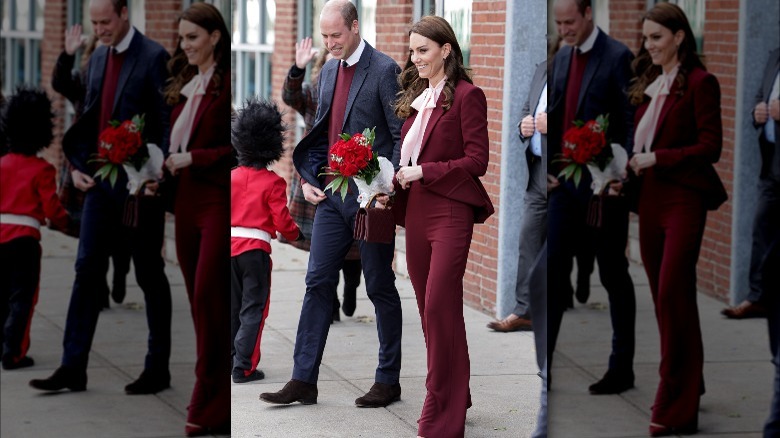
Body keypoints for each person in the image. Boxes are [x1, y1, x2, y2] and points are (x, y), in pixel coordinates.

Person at [259, 0, 403, 408]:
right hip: (331, 198)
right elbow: (322, 135)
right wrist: (308, 179)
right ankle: (303, 380)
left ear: (355, 27)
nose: (329, 42)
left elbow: (397, 135)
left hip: (370, 199)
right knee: (317, 283)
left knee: (378, 286)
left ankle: (387, 380)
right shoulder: (326, 73)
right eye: (324, 36)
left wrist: (382, 188)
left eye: (335, 35)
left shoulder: (384, 70)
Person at [29, 0, 172, 395]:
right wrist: (75, 168)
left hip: (139, 189)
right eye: (93, 22)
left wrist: (152, 176)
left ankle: (157, 368)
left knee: (149, 274)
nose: (99, 29)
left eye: (104, 21)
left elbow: (163, 123)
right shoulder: (95, 60)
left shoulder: (154, 57)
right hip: (97, 186)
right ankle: (72, 367)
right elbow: (88, 120)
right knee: (86, 271)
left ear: (124, 12)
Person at [390, 15, 493, 437]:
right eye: (412, 51)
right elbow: (406, 161)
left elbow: (477, 161)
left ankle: (442, 407)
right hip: (416, 213)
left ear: (446, 49)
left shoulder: (469, 96)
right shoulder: (419, 97)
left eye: (423, 50)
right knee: (433, 313)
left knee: (438, 305)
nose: (415, 59)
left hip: (450, 212)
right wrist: (390, 181)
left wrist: (424, 172)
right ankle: (454, 388)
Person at [627, 3, 727, 435]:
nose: (648, 47)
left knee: (672, 294)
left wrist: (657, 158)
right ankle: (692, 378)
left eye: (657, 38)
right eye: (646, 39)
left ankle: (674, 398)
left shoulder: (702, 83)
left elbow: (711, 147)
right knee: (670, 298)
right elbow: (641, 145)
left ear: (679, 37)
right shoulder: (653, 81)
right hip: (650, 200)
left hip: (684, 199)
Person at [548, 0, 636, 394]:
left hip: (605, 188)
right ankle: (542, 369)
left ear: (588, 14)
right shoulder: (562, 57)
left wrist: (623, 176)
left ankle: (622, 367)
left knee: (613, 274)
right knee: (552, 273)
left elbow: (629, 122)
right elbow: (553, 117)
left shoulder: (618, 57)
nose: (564, 29)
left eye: (570, 21)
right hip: (565, 187)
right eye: (559, 23)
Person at [163, 3, 233, 435]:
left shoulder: (225, 86)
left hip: (215, 202)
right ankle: (208, 389)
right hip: (185, 202)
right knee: (196, 302)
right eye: (182, 37)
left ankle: (210, 394)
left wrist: (193, 157)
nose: (185, 45)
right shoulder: (189, 81)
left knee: (210, 296)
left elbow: (233, 149)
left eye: (192, 37)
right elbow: (176, 141)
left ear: (214, 37)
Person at [282, 39, 362, 322]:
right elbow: (291, 98)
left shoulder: (358, 87)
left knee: (353, 248)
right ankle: (330, 302)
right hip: (317, 172)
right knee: (323, 246)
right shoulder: (315, 92)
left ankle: (352, 285)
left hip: (350, 170)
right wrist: (298, 67)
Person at [52, 25, 132, 307]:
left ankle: (121, 271)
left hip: (119, 162)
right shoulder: (85, 81)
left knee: (120, 232)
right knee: (92, 234)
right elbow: (60, 83)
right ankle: (98, 291)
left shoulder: (127, 78)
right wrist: (67, 54)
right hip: (86, 164)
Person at [0, 86, 72, 370]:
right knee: (23, 299)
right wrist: (68, 224)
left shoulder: (1, 164)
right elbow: (53, 210)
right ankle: (14, 353)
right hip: (25, 241)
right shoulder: (43, 170)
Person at [230, 97, 300, 385]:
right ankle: (243, 366)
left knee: (233, 308)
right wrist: (296, 234)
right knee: (254, 309)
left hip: (229, 248)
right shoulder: (273, 183)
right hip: (255, 252)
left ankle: (232, 360)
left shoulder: (231, 176)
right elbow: (283, 222)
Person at [488, 59, 546, 333]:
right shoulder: (543, 67)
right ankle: (525, 311)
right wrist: (524, 125)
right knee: (528, 241)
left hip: (567, 178)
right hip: (537, 176)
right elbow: (528, 109)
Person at [721, 47, 779, 321]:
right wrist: (757, 111)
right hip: (772, 166)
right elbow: (761, 94)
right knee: (761, 228)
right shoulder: (775, 55)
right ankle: (758, 297)